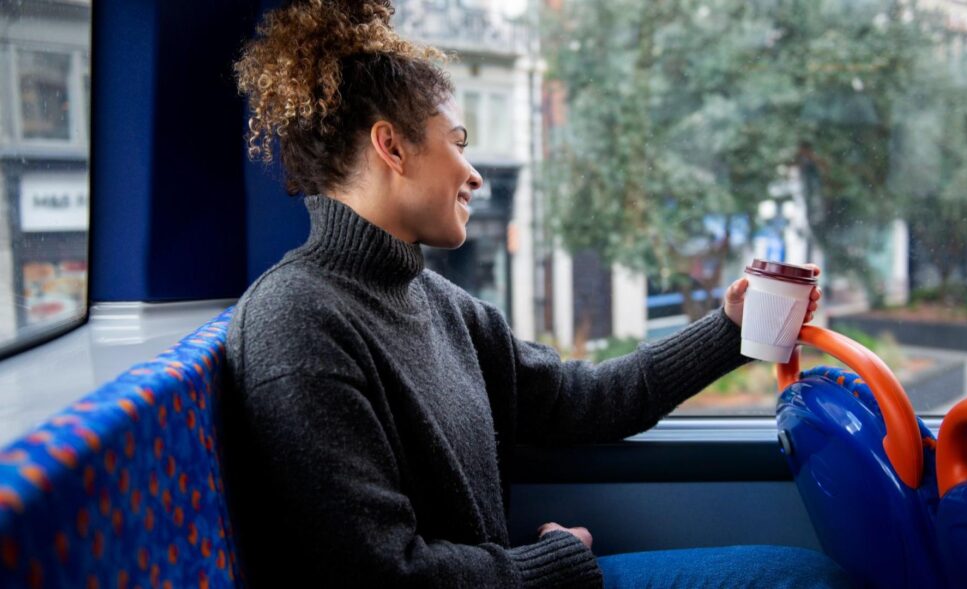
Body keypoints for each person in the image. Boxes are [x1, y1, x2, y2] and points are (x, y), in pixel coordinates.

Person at [223, 1, 845, 587]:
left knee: (806, 573)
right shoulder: (296, 320)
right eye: (457, 141)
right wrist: (554, 565)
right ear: (391, 147)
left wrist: (731, 329)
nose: (472, 173)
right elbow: (382, 573)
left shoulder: (440, 304)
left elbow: (584, 400)